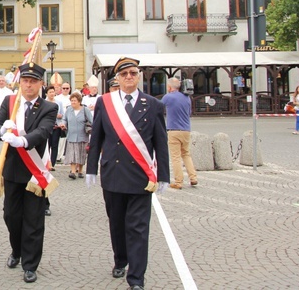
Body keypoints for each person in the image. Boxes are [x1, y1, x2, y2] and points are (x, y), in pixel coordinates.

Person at [86, 57, 169, 290]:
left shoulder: (153, 105)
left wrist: (163, 174)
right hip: (113, 174)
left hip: (140, 177)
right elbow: (97, 136)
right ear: (117, 79)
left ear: (139, 75)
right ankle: (120, 260)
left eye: (133, 73)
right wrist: (91, 168)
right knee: (117, 224)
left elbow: (161, 143)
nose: (129, 77)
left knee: (139, 228)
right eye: (124, 74)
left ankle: (136, 278)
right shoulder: (105, 102)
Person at [0, 62, 57, 284]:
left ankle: (30, 264)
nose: (28, 85)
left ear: (40, 84)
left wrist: (22, 140)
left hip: (34, 173)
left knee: (34, 220)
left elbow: (43, 131)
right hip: (12, 171)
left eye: (33, 81)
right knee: (11, 215)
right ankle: (16, 250)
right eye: (25, 81)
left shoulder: (48, 107)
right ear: (20, 82)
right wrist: (2, 130)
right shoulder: (10, 102)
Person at [162, 78, 198, 189]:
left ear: (169, 87)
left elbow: (157, 107)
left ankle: (178, 181)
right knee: (186, 154)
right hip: (186, 129)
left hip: (174, 130)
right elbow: (189, 113)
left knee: (175, 157)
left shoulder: (168, 97)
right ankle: (193, 177)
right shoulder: (187, 98)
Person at [62, 92, 92, 180]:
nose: (73, 102)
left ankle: (80, 171)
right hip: (71, 135)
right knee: (72, 154)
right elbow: (64, 119)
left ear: (79, 101)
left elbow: (91, 120)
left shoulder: (85, 110)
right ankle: (73, 172)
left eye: (75, 101)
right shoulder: (69, 110)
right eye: (71, 101)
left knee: (81, 154)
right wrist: (63, 124)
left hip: (82, 136)